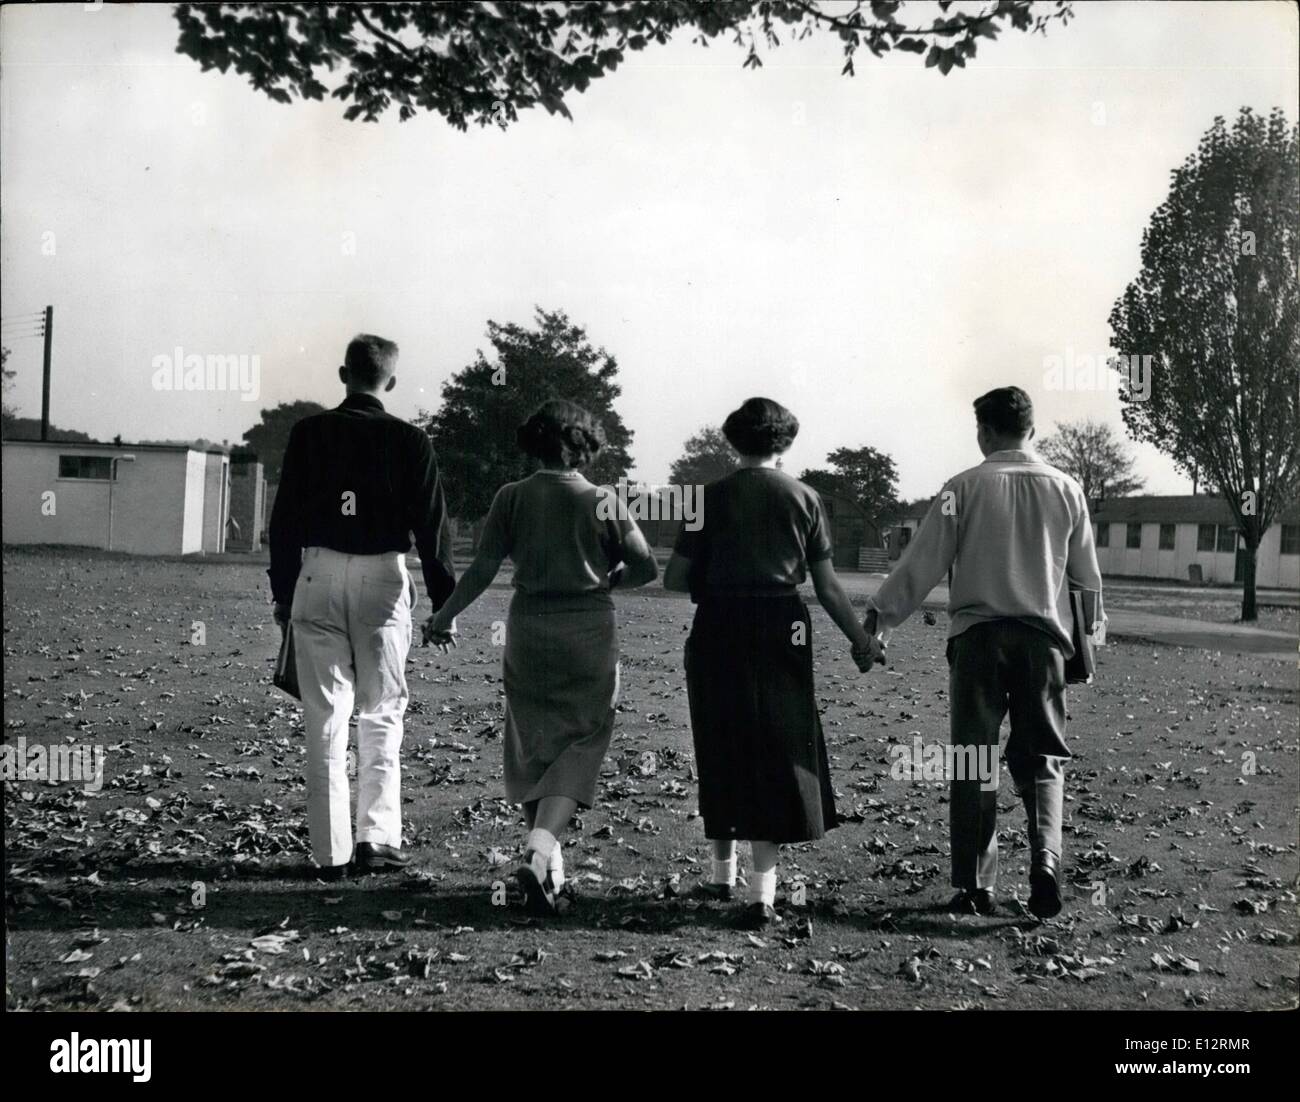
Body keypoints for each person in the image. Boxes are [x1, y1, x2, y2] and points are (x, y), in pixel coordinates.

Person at [862, 386, 1103, 919]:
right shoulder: (1068, 489)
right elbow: (1087, 582)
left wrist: (880, 619)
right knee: (1044, 758)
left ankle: (976, 884)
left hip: (976, 640)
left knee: (974, 760)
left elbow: (920, 566)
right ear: (1032, 430)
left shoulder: (963, 488)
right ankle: (1046, 859)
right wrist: (1088, 647)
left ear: (985, 431)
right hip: (1043, 642)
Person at [424, 399, 657, 915]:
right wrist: (610, 578)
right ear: (586, 446)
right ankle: (540, 852)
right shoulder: (603, 501)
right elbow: (645, 566)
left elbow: (482, 569)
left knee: (534, 743)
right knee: (585, 738)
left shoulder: (511, 497)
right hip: (588, 630)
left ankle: (547, 875)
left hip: (527, 629)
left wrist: (443, 616)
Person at [662, 397, 882, 930]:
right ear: (784, 442)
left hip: (719, 625)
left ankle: (721, 872)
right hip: (784, 627)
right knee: (775, 747)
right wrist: (862, 642)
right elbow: (827, 587)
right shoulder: (805, 497)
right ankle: (764, 891)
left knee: (720, 741)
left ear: (732, 441)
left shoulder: (705, 499)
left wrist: (715, 580)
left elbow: (672, 578)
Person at [268, 334, 457, 880]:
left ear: (342, 373)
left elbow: (284, 522)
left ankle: (331, 854)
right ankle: (377, 837)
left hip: (319, 571)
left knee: (325, 714)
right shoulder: (410, 440)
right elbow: (432, 529)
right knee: (381, 710)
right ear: (390, 382)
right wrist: (443, 607)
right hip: (382, 576)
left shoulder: (308, 433)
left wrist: (284, 592)